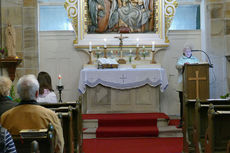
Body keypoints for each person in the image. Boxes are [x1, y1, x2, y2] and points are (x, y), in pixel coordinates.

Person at [0, 75, 64, 153]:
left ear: (18, 94)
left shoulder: (5, 117)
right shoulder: (50, 116)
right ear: (37, 93)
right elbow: (59, 145)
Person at [176, 46, 199, 128]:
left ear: (191, 51)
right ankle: (182, 121)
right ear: (184, 52)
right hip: (183, 85)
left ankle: (194, 121)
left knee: (194, 102)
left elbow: (199, 67)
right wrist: (183, 65)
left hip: (194, 85)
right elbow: (177, 66)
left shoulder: (195, 59)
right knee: (183, 103)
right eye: (186, 51)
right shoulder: (181, 59)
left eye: (189, 51)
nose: (188, 53)